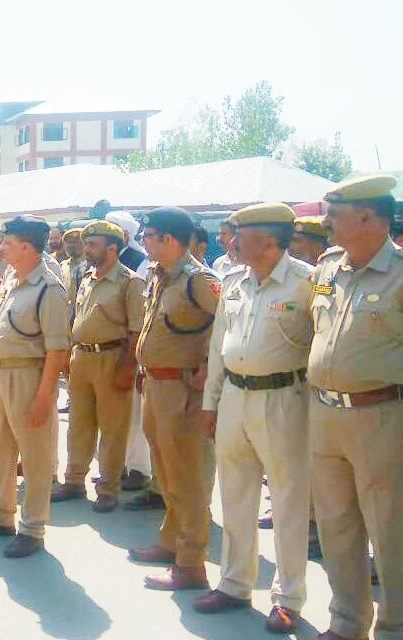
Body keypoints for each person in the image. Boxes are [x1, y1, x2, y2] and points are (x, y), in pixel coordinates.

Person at [194, 203, 313, 634]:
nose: (230, 239)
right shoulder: (231, 282)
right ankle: (234, 582)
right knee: (235, 496)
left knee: (287, 502)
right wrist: (211, 404)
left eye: (239, 232)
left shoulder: (306, 283)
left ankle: (288, 598)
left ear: (267, 237)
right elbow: (216, 349)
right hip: (235, 398)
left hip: (285, 398)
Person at [306, 174, 402, 640]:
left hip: (381, 416)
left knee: (390, 530)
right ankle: (347, 624)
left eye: (334, 213)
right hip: (325, 417)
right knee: (336, 529)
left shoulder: (400, 273)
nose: (325, 222)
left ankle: (394, 627)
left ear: (367, 217)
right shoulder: (327, 269)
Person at [0, 215, 69, 557]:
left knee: (35, 456)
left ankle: (33, 528)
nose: (0, 247)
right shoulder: (12, 278)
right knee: (2, 448)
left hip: (28, 376)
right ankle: (1, 515)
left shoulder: (49, 288)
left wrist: (44, 396)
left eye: (7, 242)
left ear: (26, 246)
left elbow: (57, 348)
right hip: (0, 373)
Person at [129, 207, 221, 591]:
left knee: (187, 475)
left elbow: (228, 327)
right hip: (156, 385)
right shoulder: (157, 274)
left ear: (168, 239)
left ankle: (191, 563)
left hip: (184, 390)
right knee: (166, 470)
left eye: (148, 235)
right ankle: (171, 540)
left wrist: (207, 368)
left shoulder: (200, 280)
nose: (143, 242)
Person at [51, 220, 145, 512]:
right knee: (79, 423)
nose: (86, 249)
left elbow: (136, 331)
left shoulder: (130, 282)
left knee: (112, 427)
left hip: (112, 358)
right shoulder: (86, 276)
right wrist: (68, 354)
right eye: (86, 244)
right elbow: (75, 317)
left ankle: (108, 487)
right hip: (82, 358)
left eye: (93, 244)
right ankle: (75, 480)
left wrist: (127, 367)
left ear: (113, 248)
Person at [105, 209, 156, 497]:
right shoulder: (104, 262)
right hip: (108, 345)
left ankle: (138, 467)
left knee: (136, 412)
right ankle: (118, 464)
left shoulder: (140, 263)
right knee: (115, 412)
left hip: (132, 343)